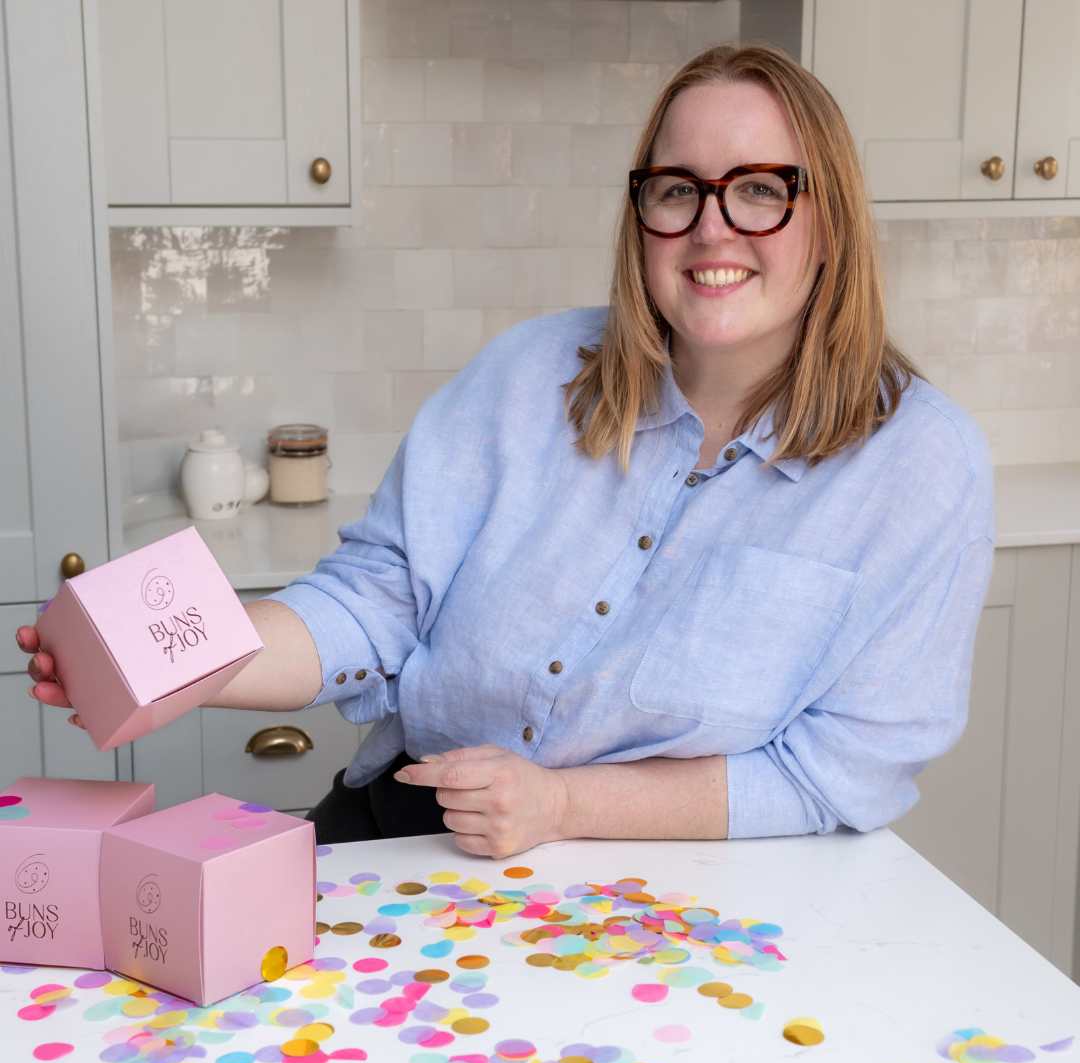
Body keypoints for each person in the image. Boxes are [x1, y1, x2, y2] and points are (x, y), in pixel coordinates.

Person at [16, 44, 994, 859]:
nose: (709, 228)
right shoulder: (526, 376)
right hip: (408, 837)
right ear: (639, 213)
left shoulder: (920, 467)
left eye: (759, 191)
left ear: (830, 222)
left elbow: (841, 772)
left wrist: (566, 806)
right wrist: (179, 668)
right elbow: (376, 606)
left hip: (693, 890)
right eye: (676, 190)